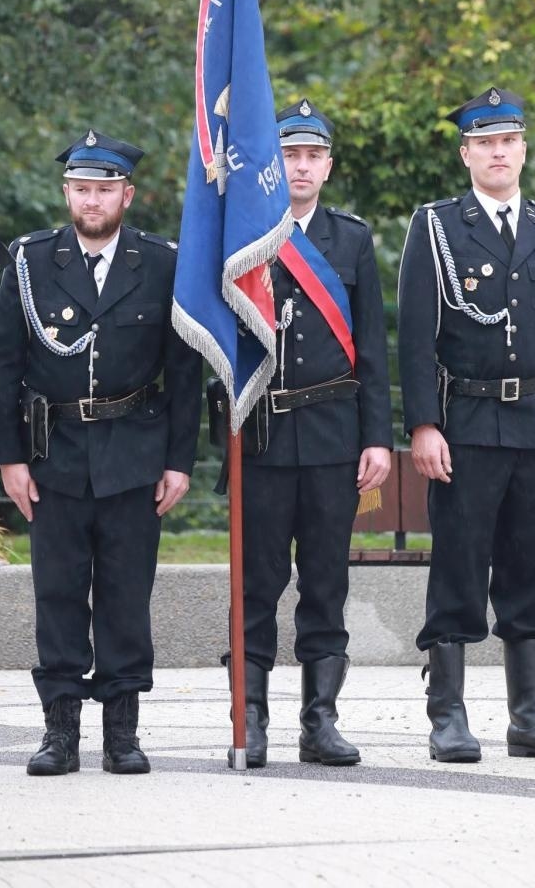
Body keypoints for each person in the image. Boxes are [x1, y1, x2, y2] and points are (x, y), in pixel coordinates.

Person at [0, 130, 202, 777]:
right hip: (53, 457)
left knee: (126, 594)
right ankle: (59, 732)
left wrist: (180, 461)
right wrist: (9, 458)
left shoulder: (162, 264)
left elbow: (183, 373)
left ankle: (122, 732)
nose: (93, 199)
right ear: (67, 193)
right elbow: (3, 366)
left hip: (135, 452)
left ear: (126, 195)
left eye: (105, 189)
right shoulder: (29, 262)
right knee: (57, 592)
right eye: (82, 188)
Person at [398, 87, 535, 763]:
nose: (498, 153)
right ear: (467, 155)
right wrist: (424, 423)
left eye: (507, 141)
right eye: (484, 143)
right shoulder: (435, 228)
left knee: (530, 567)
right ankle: (447, 714)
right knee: (457, 567)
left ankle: (529, 715)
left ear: (523, 149)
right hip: (468, 427)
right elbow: (414, 340)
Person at [227, 98, 393, 768]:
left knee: (326, 582)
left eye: (311, 155)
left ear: (327, 165)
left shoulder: (350, 240)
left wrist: (377, 437)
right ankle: (254, 717)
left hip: (331, 438)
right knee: (258, 582)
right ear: (275, 162)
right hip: (262, 437)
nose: (300, 166)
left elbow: (374, 350)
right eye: (290, 154)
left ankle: (319, 721)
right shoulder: (243, 232)